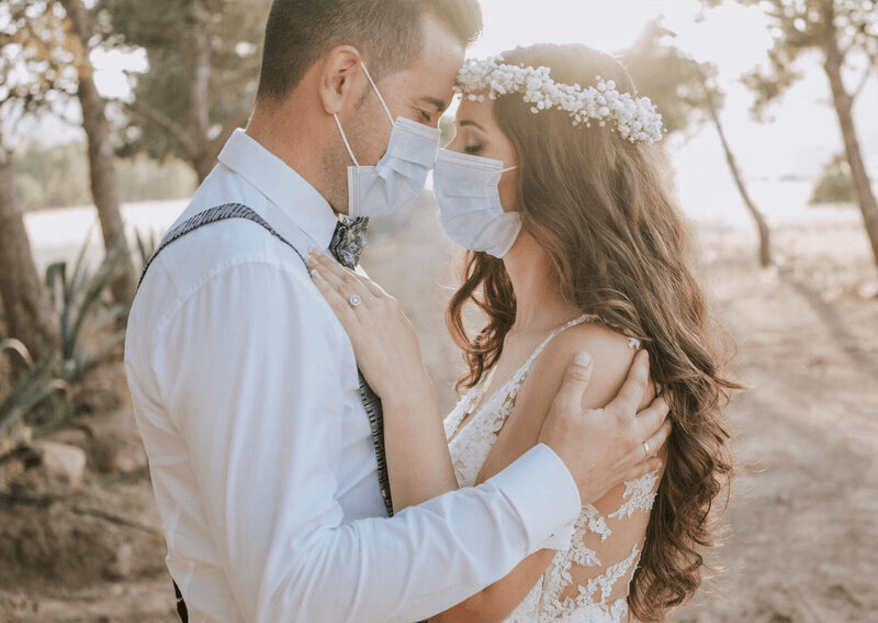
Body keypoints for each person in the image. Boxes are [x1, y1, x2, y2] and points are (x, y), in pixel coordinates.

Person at [124, 3, 671, 623]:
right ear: (341, 80)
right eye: (426, 114)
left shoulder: (294, 256)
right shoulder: (247, 275)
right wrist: (556, 482)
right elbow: (294, 591)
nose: (435, 155)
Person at [308, 43, 738, 623]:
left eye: (474, 142)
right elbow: (457, 530)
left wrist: (406, 384)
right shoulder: (525, 333)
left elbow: (464, 600)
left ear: (554, 167)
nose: (445, 158)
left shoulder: (591, 358)